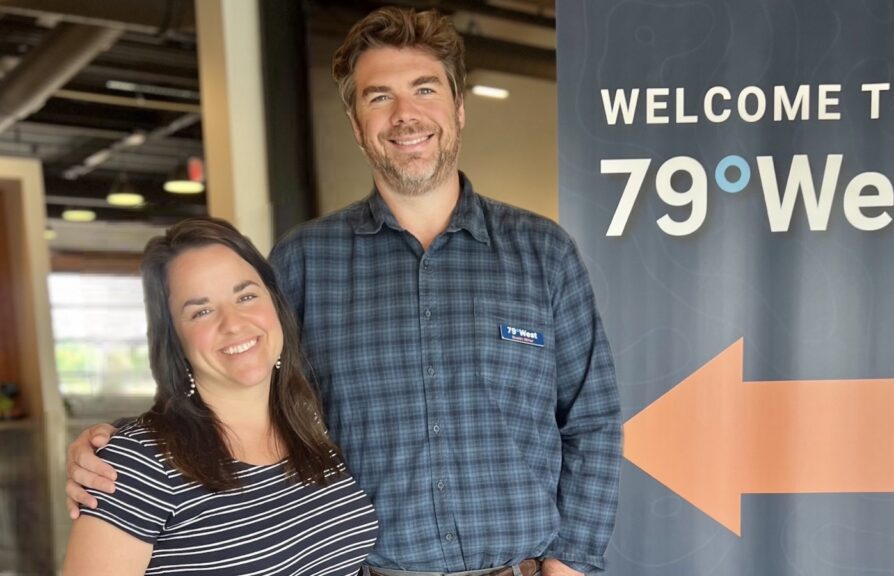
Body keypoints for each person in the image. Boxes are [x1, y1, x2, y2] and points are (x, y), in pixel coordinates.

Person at [66, 7, 620, 576]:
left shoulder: (543, 253)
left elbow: (592, 420)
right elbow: (239, 376)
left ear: (457, 108)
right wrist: (124, 452)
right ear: (357, 126)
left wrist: (569, 566)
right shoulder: (304, 261)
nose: (405, 115)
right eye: (378, 97)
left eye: (424, 89)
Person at [62, 218, 377, 575]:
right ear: (173, 339)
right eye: (202, 311)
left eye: (246, 296)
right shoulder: (136, 465)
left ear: (275, 303)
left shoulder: (311, 424)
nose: (233, 323)